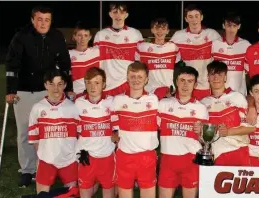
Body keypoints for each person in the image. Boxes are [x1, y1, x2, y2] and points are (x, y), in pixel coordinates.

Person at [5, 5, 73, 187]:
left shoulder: (57, 36)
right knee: (25, 131)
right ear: (33, 20)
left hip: (48, 91)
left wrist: (69, 87)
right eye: (40, 19)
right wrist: (10, 90)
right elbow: (12, 64)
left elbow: (65, 62)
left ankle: (46, 167)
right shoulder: (21, 36)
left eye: (47, 20)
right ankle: (27, 170)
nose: (43, 23)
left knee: (48, 132)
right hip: (24, 91)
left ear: (51, 21)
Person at [157, 66, 208, 198]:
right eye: (182, 80)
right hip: (168, 160)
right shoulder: (163, 104)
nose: (186, 85)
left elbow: (205, 141)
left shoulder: (201, 108)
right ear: (176, 82)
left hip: (190, 161)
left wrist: (200, 133)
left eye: (190, 81)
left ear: (195, 84)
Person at [110, 62, 159, 198]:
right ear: (127, 77)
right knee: (125, 193)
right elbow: (113, 127)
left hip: (146, 156)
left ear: (147, 79)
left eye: (139, 77)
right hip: (125, 156)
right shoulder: (118, 100)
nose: (136, 80)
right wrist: (114, 134)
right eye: (132, 76)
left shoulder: (153, 100)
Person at [28, 69, 79, 193]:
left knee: (71, 194)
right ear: (45, 85)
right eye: (51, 84)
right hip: (46, 160)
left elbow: (80, 136)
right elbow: (34, 138)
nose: (55, 88)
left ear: (65, 85)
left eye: (60, 84)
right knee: (41, 195)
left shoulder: (73, 108)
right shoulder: (37, 108)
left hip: (69, 160)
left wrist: (75, 157)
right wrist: (43, 155)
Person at [200, 61, 254, 166]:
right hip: (216, 154)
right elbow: (202, 135)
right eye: (212, 74)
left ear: (225, 77)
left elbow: (250, 128)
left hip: (238, 150)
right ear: (208, 77)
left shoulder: (237, 97)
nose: (216, 78)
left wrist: (228, 132)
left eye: (219, 74)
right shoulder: (203, 103)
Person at [74, 67, 115, 198]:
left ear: (104, 84)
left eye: (97, 83)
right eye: (89, 82)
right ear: (85, 84)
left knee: (110, 190)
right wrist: (78, 151)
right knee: (85, 191)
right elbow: (75, 131)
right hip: (87, 156)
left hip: (107, 156)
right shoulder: (78, 103)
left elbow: (117, 130)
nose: (93, 87)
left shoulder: (112, 102)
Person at [170, 4, 221, 100]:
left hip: (207, 85)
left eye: (196, 16)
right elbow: (169, 61)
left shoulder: (212, 34)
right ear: (186, 19)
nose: (194, 20)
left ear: (201, 17)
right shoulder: (178, 36)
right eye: (190, 16)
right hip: (187, 85)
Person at [94, 2, 144, 96]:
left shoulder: (135, 34)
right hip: (106, 85)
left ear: (126, 15)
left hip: (127, 84)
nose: (118, 15)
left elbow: (140, 61)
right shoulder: (100, 35)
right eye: (115, 12)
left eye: (121, 12)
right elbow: (96, 62)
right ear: (110, 14)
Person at [137, 18, 180, 99]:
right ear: (152, 30)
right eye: (157, 28)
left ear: (167, 31)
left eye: (163, 29)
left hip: (168, 93)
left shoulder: (173, 47)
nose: (160, 31)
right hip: (150, 91)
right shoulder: (142, 47)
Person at [212, 12, 251, 96]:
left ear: (239, 26)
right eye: (229, 25)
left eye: (234, 26)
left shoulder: (246, 45)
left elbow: (249, 70)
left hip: (239, 94)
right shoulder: (215, 44)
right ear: (223, 25)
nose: (231, 29)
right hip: (219, 94)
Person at [70, 22, 101, 98]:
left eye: (85, 35)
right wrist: (68, 91)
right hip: (76, 96)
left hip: (95, 96)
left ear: (90, 37)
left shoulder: (97, 52)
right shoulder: (68, 55)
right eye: (79, 35)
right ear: (74, 36)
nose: (82, 38)